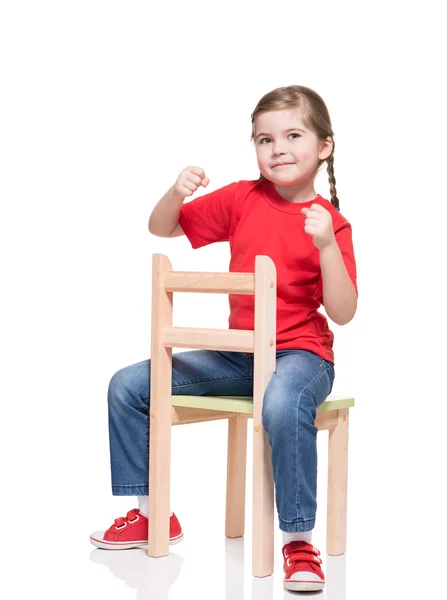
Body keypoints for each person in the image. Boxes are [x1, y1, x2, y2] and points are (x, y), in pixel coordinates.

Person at [90, 85, 358, 593]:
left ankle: (299, 540)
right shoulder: (241, 198)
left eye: (293, 135)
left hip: (302, 355)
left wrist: (326, 244)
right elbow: (161, 228)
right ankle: (152, 514)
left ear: (324, 146)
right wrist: (177, 192)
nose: (277, 148)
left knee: (280, 403)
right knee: (128, 385)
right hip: (239, 354)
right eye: (265, 139)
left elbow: (344, 312)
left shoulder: (331, 224)